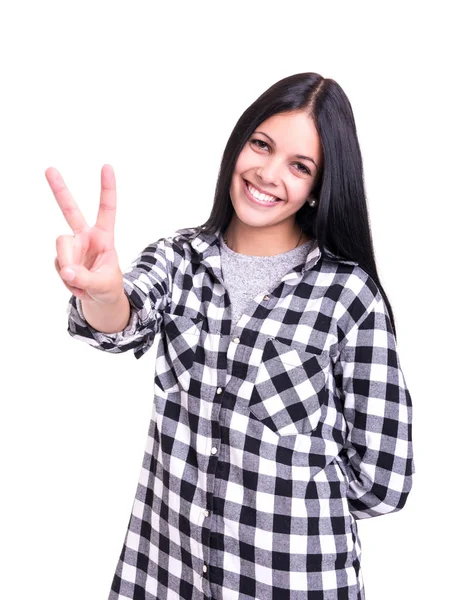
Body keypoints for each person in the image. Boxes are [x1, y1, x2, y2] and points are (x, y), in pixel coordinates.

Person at [46, 72, 415, 600]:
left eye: (299, 166)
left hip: (292, 582)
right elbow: (124, 320)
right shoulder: (179, 259)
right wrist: (102, 294)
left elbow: (383, 481)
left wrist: (289, 495)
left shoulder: (347, 297)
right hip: (163, 574)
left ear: (319, 186)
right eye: (261, 144)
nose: (267, 173)